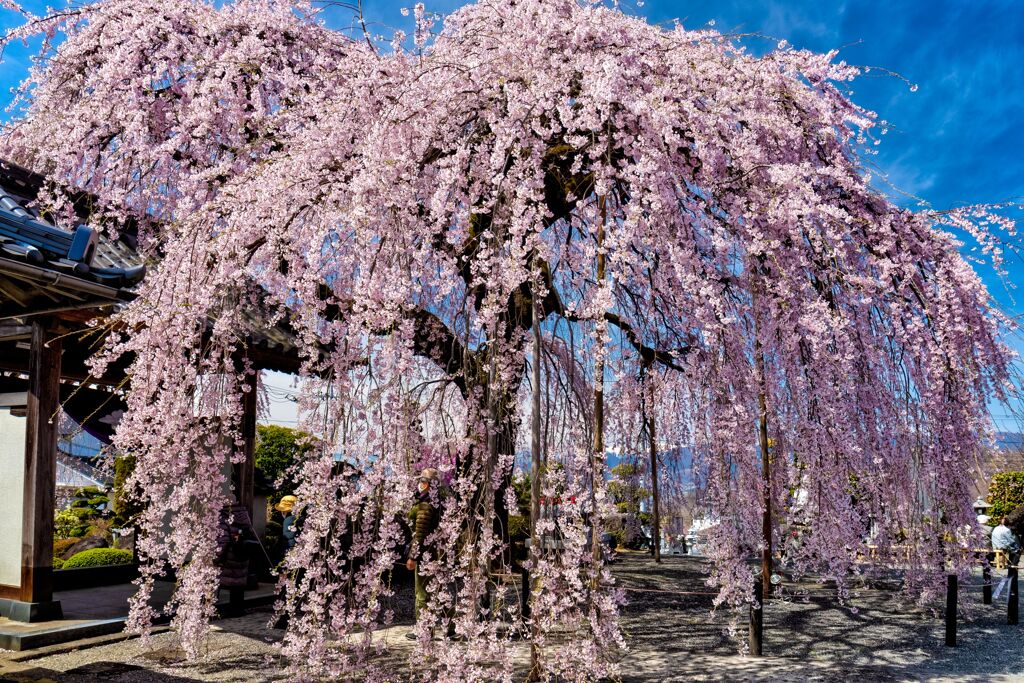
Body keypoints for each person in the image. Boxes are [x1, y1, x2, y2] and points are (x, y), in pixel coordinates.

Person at [406, 468, 440, 639]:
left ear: (431, 485)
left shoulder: (426, 505)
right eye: (420, 481)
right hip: (434, 552)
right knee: (435, 590)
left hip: (425, 554)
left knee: (422, 593)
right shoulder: (433, 501)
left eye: (424, 482)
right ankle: (444, 628)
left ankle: (424, 630)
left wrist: (413, 557)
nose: (421, 484)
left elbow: (420, 534)